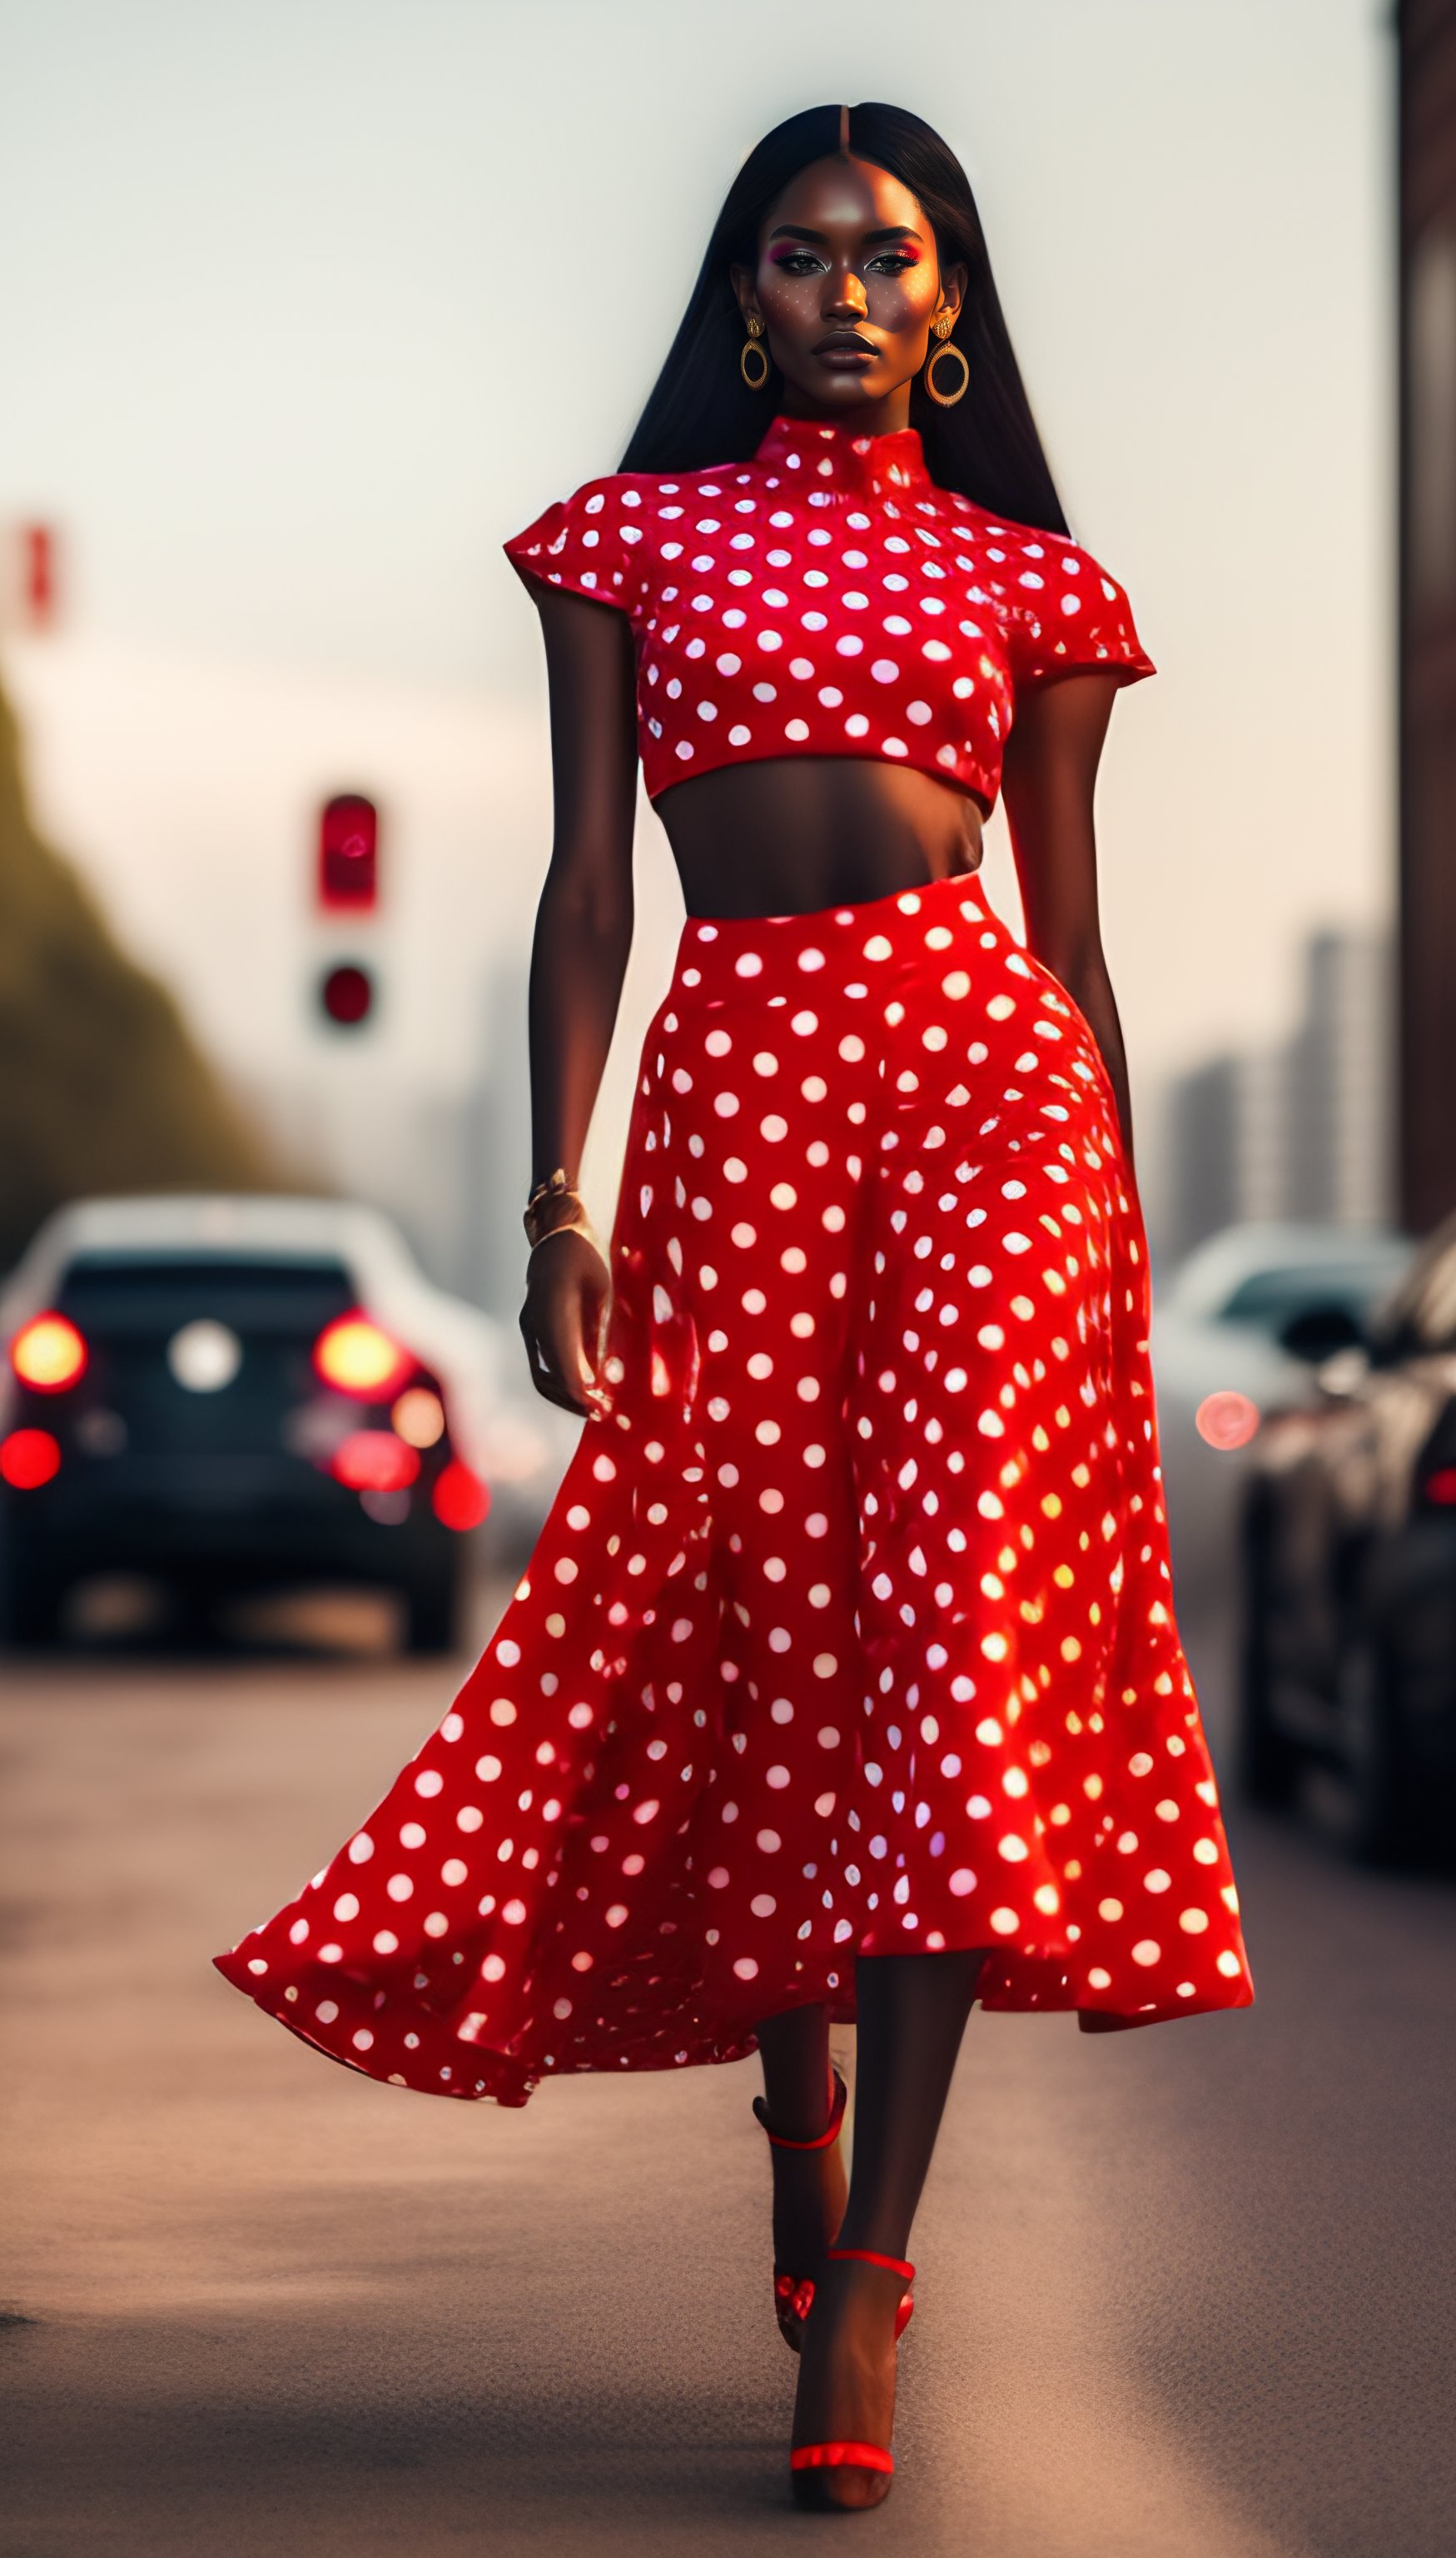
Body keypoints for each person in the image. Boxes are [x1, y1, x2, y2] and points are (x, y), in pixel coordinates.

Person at [215, 100, 1252, 2511]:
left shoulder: (1038, 587)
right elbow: (596, 895)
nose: (849, 292)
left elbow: (1072, 950)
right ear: (742, 301)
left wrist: (1104, 1227)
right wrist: (554, 1204)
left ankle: (871, 2278)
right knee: (764, 1630)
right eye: (799, 258)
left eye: (893, 258)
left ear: (955, 311)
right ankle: (799, 2120)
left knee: (945, 1658)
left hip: (987, 1105)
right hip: (746, 1093)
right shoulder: (626, 546)